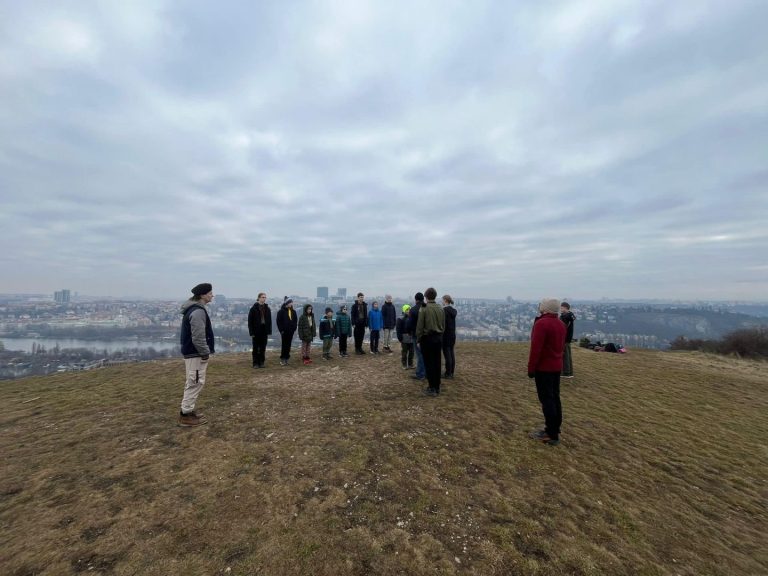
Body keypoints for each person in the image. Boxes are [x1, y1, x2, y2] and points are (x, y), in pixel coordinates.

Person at [527, 298, 567, 446]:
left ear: (545, 308)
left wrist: (531, 368)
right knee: (555, 398)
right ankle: (555, 428)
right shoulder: (561, 324)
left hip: (544, 368)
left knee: (547, 400)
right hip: (556, 366)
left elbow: (536, 349)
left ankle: (551, 433)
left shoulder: (542, 324)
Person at [178, 283, 215, 427]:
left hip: (193, 352)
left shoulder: (194, 309)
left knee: (194, 381)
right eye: (210, 293)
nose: (212, 295)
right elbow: (198, 336)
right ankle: (185, 415)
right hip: (196, 353)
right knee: (195, 382)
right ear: (203, 295)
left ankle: (188, 411)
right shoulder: (198, 312)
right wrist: (205, 352)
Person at [416, 287, 445, 396]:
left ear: (426, 297)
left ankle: (431, 387)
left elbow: (420, 326)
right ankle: (437, 387)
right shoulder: (441, 308)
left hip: (427, 339)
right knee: (437, 363)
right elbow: (443, 325)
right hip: (438, 338)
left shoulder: (424, 308)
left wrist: (418, 339)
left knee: (428, 363)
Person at [247, 292, 271, 368]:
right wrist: (251, 332)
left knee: (263, 347)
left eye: (265, 297)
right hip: (256, 331)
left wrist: (269, 331)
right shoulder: (253, 309)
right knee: (255, 348)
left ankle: (261, 362)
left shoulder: (267, 308)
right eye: (263, 297)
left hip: (264, 330)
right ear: (259, 298)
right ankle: (255, 363)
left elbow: (269, 321)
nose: (264, 299)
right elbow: (250, 322)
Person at [406, 292, 426, 380]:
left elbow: (409, 323)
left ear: (416, 299)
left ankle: (420, 374)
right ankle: (426, 372)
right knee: (426, 354)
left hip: (416, 335)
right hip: (427, 335)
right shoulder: (427, 307)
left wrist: (408, 332)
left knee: (419, 354)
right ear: (423, 299)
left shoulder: (413, 309)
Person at [276, 297, 298, 366]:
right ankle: (283, 359)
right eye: (290, 302)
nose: (291, 304)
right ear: (287, 303)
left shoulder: (293, 311)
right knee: (284, 345)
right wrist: (281, 330)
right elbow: (278, 322)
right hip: (284, 332)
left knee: (288, 345)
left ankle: (287, 358)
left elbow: (295, 321)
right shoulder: (281, 311)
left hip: (291, 331)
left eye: (292, 302)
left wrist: (294, 328)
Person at [442, 294, 457, 379]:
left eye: (442, 300)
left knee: (447, 355)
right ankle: (451, 372)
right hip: (452, 335)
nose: (442, 302)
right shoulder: (453, 310)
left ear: (445, 300)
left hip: (446, 335)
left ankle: (448, 373)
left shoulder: (444, 311)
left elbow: (443, 324)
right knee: (451, 353)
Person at [560, 301, 575, 378]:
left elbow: (562, 328)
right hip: (567, 338)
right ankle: (569, 372)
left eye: (562, 308)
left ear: (566, 308)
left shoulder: (566, 317)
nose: (560, 309)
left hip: (565, 338)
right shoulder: (568, 316)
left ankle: (566, 373)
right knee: (567, 355)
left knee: (565, 355)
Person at [396, 304, 414, 369]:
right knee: (404, 352)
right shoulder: (400, 318)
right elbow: (398, 329)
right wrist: (400, 337)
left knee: (412, 352)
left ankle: (410, 364)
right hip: (404, 337)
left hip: (411, 337)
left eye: (409, 309)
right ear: (404, 310)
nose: (408, 311)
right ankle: (404, 364)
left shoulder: (411, 317)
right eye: (407, 309)